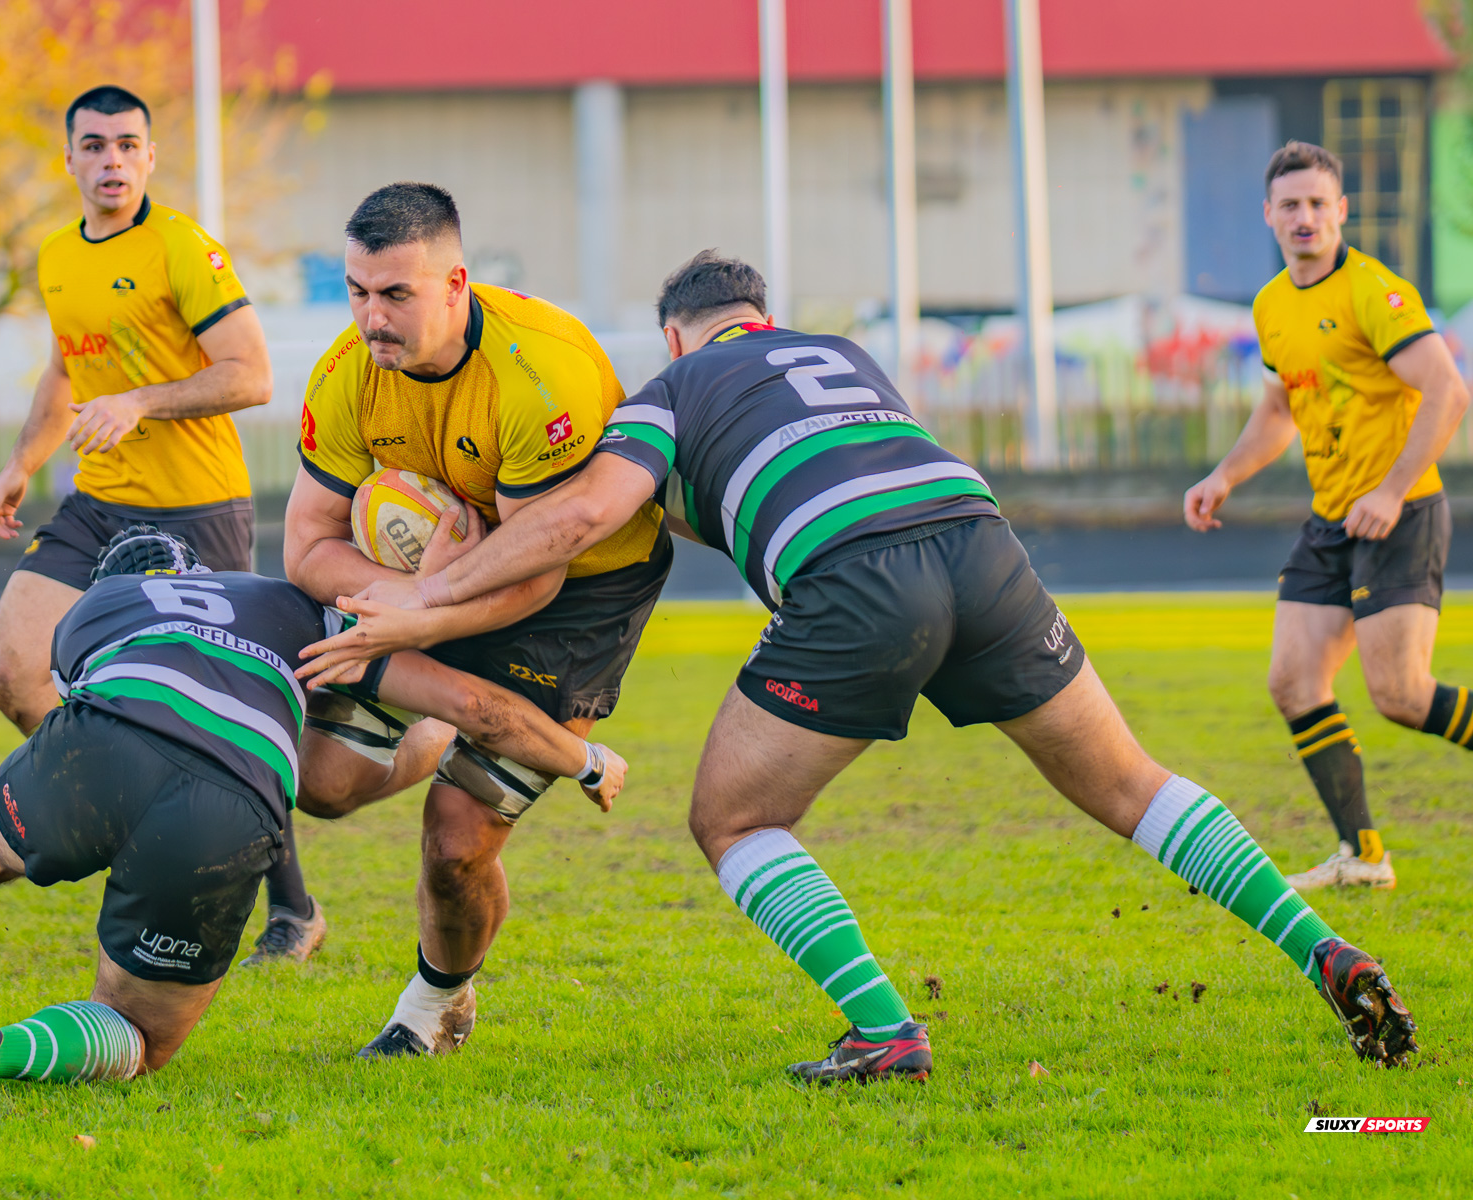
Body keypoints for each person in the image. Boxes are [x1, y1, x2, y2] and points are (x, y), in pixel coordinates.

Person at [302, 251, 1419, 1082]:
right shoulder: (842, 356)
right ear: (766, 322)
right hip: (981, 546)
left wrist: (426, 594)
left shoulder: (672, 394)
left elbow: (586, 514)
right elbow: (773, 479)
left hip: (858, 579)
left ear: (679, 341)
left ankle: (884, 1029)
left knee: (733, 819)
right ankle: (1320, 946)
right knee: (1132, 783)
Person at [0, 527, 626, 1097]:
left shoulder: (91, 612)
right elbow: (477, 710)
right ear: (197, 571)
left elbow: (110, 713)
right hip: (231, 801)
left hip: (104, 737)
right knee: (143, 1036)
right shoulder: (291, 604)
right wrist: (585, 758)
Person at [281, 182, 670, 1056]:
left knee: (455, 847)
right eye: (356, 291)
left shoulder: (542, 374)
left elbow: (536, 572)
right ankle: (436, 729)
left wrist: (417, 611)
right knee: (324, 782)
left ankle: (434, 1004)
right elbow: (305, 546)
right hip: (426, 581)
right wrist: (407, 593)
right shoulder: (347, 373)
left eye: (395, 295)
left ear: (457, 284)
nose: (370, 318)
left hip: (577, 593)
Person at [0, 85, 318, 961]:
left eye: (128, 145)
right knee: (13, 671)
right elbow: (63, 373)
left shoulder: (183, 248)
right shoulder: (56, 255)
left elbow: (252, 374)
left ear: (150, 158)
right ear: (70, 160)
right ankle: (124, 805)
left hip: (196, 510)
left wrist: (143, 402)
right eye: (94, 146)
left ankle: (294, 909)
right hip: (97, 501)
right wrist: (20, 465)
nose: (111, 161)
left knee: (229, 718)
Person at [1184, 142, 1471, 891]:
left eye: (1319, 203)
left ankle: (1365, 854)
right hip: (1332, 519)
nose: (1305, 217)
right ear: (1270, 217)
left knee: (1402, 696)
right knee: (1294, 681)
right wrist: (1224, 475)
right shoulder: (1272, 302)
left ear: (1341, 211)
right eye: (1291, 205)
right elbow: (1280, 408)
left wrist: (1390, 488)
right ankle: (1364, 856)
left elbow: (1447, 390)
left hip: (1400, 513)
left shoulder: (1374, 291)